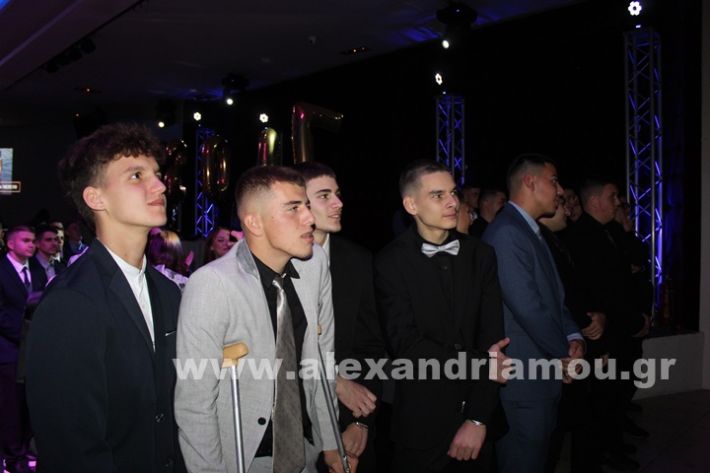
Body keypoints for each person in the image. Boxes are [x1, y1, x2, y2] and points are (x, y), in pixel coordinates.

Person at [25, 123, 186, 472]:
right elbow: (71, 443)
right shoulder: (71, 301)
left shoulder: (167, 292)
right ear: (95, 198)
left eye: (157, 175)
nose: (160, 186)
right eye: (137, 175)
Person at [175, 165, 348, 473]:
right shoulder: (213, 284)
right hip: (244, 457)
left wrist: (331, 441)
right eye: (293, 209)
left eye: (306, 206)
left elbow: (322, 357)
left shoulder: (315, 264)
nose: (309, 218)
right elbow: (195, 402)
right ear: (254, 222)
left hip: (305, 448)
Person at [375, 160, 508, 473]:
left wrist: (477, 418)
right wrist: (480, 362)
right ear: (411, 205)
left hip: (478, 418)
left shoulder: (481, 255)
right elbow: (407, 346)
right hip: (422, 423)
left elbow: (495, 343)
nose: (452, 202)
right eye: (438, 195)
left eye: (453, 193)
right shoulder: (390, 261)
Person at [482, 154, 584, 473]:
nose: (560, 190)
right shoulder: (508, 233)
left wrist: (574, 337)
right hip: (525, 382)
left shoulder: (530, 231)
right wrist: (564, 354)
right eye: (553, 181)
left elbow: (556, 301)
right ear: (530, 182)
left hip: (541, 375)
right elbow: (529, 308)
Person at [295, 162, 386, 472]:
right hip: (293, 427)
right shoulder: (277, 260)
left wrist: (360, 422)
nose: (338, 203)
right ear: (298, 203)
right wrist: (333, 380)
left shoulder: (358, 260)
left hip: (350, 423)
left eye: (337, 194)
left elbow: (371, 347)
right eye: (324, 196)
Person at [1, 225, 46, 473]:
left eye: (32, 240)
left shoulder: (38, 272)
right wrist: (24, 335)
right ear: (10, 244)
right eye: (25, 241)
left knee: (31, 402)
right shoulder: (2, 271)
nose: (31, 245)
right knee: (11, 406)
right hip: (9, 349)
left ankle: (29, 450)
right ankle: (11, 456)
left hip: (33, 349)